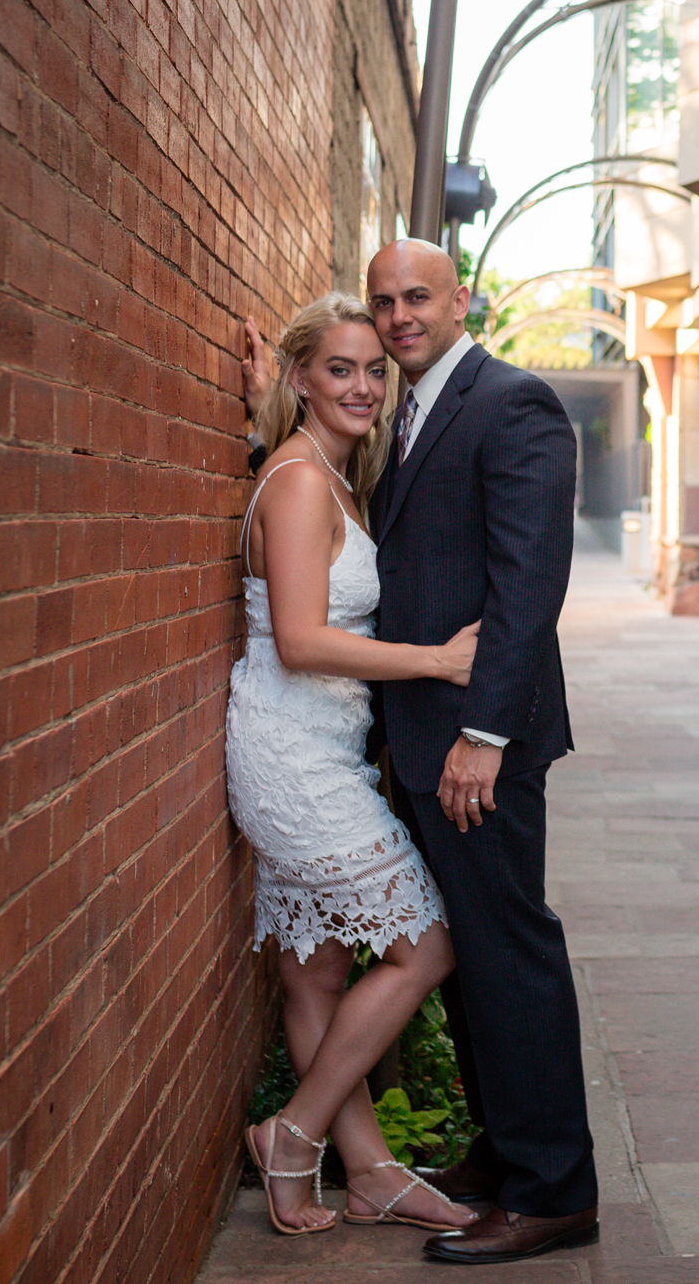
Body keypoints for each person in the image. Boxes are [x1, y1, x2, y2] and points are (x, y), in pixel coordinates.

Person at [226, 293, 482, 1236]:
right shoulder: (301, 482)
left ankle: (369, 1170)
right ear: (302, 377)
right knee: (429, 945)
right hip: (294, 759)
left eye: (376, 369)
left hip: (320, 747)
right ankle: (292, 1134)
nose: (365, 385)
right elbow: (298, 637)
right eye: (340, 368)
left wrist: (267, 415)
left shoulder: (319, 471)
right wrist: (435, 660)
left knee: (318, 972)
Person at [361, 240, 596, 1264]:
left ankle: (554, 1191)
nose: (400, 314)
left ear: (462, 300)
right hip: (420, 733)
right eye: (384, 302)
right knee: (475, 962)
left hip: (475, 741)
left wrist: (484, 737)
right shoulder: (407, 410)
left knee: (510, 953)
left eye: (418, 296)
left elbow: (527, 583)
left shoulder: (513, 403)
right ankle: (505, 1155)